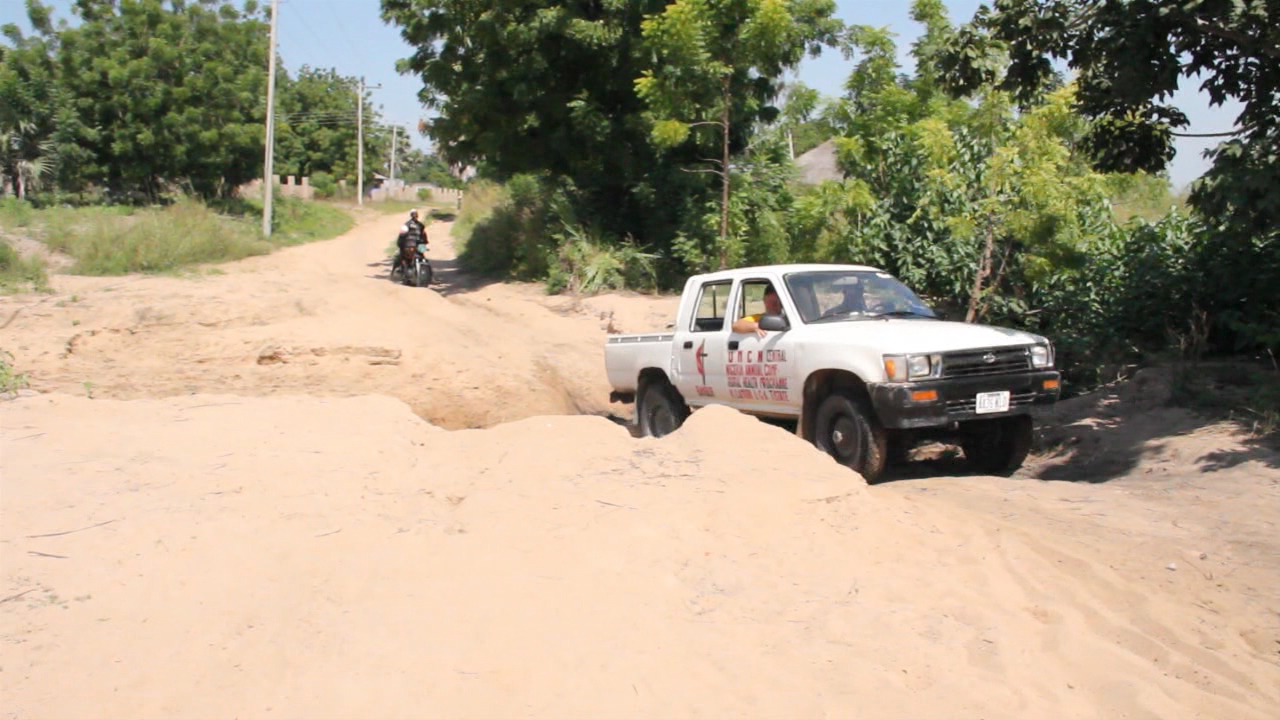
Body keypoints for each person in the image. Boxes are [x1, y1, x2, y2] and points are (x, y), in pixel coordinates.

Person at [392, 210, 428, 275]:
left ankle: (427, 274)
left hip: (413, 245)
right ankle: (398, 270)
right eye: (414, 215)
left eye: (415, 215)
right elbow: (424, 237)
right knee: (401, 256)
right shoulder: (419, 225)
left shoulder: (410, 225)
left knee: (423, 258)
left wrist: (400, 243)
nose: (415, 216)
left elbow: (401, 236)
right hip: (412, 245)